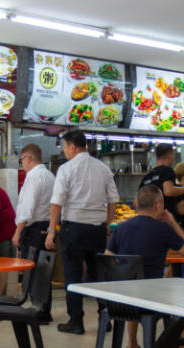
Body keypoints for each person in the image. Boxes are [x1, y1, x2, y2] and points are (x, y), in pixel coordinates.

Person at [104, 185, 184, 348]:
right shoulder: (162, 229)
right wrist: (172, 222)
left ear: (136, 205)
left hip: (120, 300)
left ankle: (131, 345)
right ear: (158, 206)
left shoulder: (121, 228)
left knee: (133, 287)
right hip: (152, 298)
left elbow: (108, 259)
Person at [45, 129, 119, 335]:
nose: (65, 152)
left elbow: (56, 202)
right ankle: (106, 319)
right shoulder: (103, 169)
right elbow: (113, 199)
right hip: (96, 230)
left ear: (71, 146)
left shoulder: (66, 169)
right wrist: (107, 225)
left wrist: (51, 231)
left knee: (73, 275)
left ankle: (76, 321)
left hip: (74, 228)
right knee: (98, 275)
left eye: (65, 147)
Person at [11, 143, 55, 322]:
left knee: (35, 270)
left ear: (28, 158)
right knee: (44, 270)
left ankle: (38, 310)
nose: (22, 163)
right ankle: (44, 309)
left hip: (35, 229)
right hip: (47, 227)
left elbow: (27, 210)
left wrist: (17, 232)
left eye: (22, 160)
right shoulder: (50, 176)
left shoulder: (33, 177)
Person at [139, 144, 184, 212]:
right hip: (164, 217)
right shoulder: (167, 170)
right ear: (170, 155)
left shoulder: (147, 176)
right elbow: (168, 191)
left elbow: (136, 202)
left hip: (148, 218)